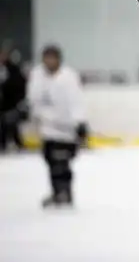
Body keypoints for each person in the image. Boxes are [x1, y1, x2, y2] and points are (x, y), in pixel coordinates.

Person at [27, 45, 88, 208]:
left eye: (52, 58)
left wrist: (80, 123)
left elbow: (77, 100)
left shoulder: (68, 77)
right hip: (47, 129)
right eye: (47, 58)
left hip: (67, 129)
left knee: (62, 162)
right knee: (51, 160)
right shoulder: (37, 75)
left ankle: (64, 192)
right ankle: (57, 192)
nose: (49, 61)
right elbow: (33, 100)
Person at [0, 47, 27, 152]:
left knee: (10, 124)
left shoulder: (14, 69)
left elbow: (20, 85)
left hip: (11, 104)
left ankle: (17, 144)